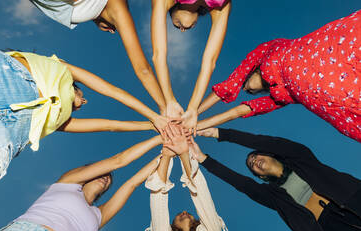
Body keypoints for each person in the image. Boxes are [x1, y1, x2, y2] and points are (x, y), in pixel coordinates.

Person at [0, 47, 167, 186]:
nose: (85, 102)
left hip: (9, 132)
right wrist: (153, 115)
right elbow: (111, 91)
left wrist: (152, 125)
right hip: (6, 75)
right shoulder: (60, 67)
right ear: (74, 87)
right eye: (82, 96)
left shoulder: (60, 120)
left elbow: (110, 125)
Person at [198, 9, 361, 142]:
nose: (246, 88)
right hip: (339, 97)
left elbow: (228, 86)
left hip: (328, 51)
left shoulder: (267, 50)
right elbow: (236, 112)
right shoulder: (277, 98)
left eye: (245, 84)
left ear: (251, 72)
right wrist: (196, 125)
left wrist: (194, 111)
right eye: (250, 92)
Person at [192, 127, 361, 231]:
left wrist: (220, 133)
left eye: (256, 155)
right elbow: (242, 184)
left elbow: (270, 143)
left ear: (270, 153)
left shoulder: (301, 158)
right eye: (251, 166)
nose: (254, 161)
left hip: (352, 200)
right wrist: (203, 158)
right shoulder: (273, 196)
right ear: (261, 176)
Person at [0, 134, 162, 231]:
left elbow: (131, 184)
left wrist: (166, 153)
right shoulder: (68, 182)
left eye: (109, 179)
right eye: (102, 172)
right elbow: (118, 161)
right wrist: (161, 137)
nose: (107, 177)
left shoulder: (99, 215)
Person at [29, 0, 166, 113]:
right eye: (115, 29)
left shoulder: (90, 8)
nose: (112, 31)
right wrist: (165, 106)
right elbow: (143, 69)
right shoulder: (117, 7)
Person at [151, 0, 231, 130]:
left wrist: (169, 100)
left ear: (171, 9)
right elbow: (209, 62)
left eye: (177, 25)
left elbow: (158, 55)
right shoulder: (220, 7)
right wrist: (193, 108)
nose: (182, 30)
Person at [146, 124, 227, 231]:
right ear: (171, 226)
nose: (184, 212)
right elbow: (158, 210)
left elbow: (203, 197)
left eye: (180, 213)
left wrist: (183, 153)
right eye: (182, 213)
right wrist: (169, 155)